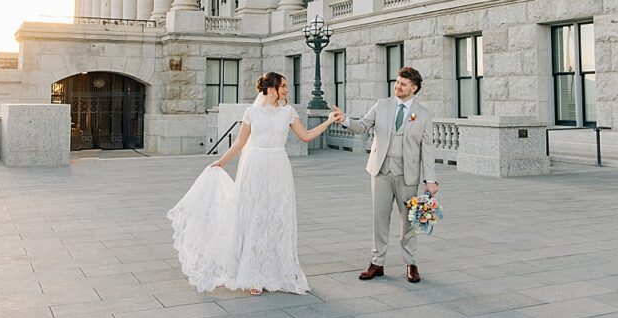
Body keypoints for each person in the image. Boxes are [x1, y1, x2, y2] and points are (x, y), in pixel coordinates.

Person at [168, 71, 343, 296]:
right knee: (253, 216)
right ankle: (253, 274)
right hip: (255, 167)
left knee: (275, 217)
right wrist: (221, 162)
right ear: (271, 88)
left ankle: (276, 271)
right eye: (284, 86)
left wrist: (329, 120)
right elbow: (241, 142)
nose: (287, 90)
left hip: (278, 167)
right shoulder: (251, 112)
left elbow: (306, 136)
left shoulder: (288, 112)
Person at [333, 66, 438, 283]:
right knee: (379, 219)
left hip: (408, 175)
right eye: (397, 82)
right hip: (380, 171)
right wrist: (344, 119)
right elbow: (362, 126)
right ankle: (377, 263)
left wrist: (430, 180)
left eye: (403, 84)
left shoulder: (424, 114)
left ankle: (410, 263)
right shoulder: (382, 105)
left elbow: (427, 149)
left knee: (409, 221)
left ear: (414, 88)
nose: (398, 86)